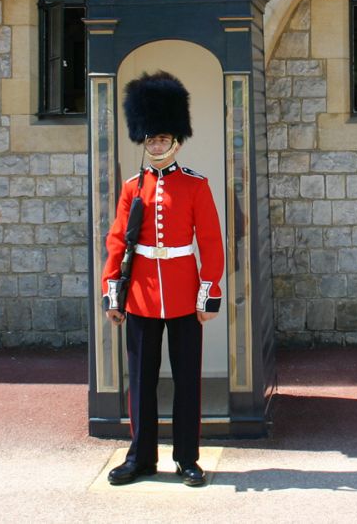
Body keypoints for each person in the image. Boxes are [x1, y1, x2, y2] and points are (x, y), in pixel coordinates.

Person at [101, 71, 224, 487]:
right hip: (141, 295)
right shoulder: (132, 188)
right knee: (141, 382)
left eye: (162, 138)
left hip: (184, 293)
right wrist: (113, 293)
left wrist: (208, 293)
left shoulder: (195, 185)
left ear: (177, 141)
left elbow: (210, 242)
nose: (155, 145)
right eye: (151, 139)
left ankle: (187, 458)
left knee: (187, 380)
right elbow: (117, 240)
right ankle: (141, 457)